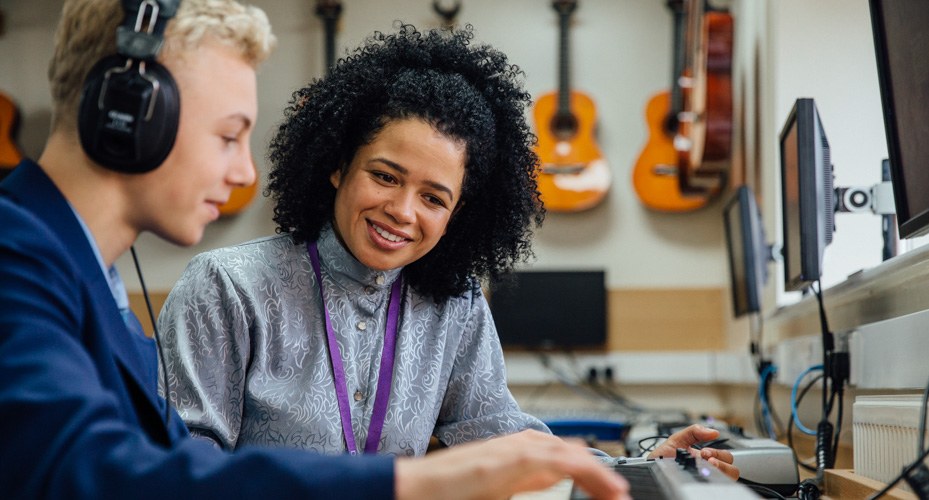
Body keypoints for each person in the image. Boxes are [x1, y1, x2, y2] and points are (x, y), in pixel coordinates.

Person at [0, 0, 634, 498]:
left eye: (434, 198)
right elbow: (94, 476)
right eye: (228, 136)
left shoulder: (89, 280)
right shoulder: (17, 261)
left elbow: (166, 464)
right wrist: (412, 483)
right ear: (130, 118)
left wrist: (632, 468)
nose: (245, 171)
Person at [153, 19, 738, 484]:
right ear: (337, 165)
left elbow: (501, 438)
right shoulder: (226, 287)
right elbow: (182, 469)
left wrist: (647, 469)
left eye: (434, 197)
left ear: (459, 212)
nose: (403, 212)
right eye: (384, 176)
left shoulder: (454, 304)